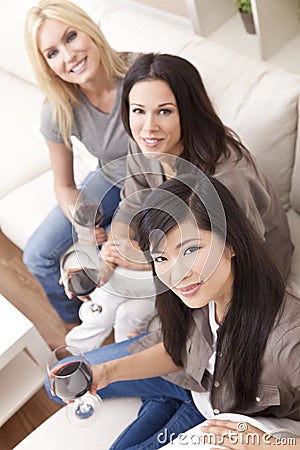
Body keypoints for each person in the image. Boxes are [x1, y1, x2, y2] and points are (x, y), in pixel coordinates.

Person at [46, 175, 300, 449]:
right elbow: (178, 351)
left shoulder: (290, 342)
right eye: (161, 258)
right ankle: (163, 401)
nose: (177, 273)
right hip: (191, 382)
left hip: (218, 413)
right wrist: (106, 373)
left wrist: (267, 444)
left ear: (231, 242)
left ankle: (163, 405)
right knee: (57, 386)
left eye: (191, 250)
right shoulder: (194, 294)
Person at [23, 0, 155, 345]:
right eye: (51, 53)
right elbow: (63, 185)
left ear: (89, 29)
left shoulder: (142, 72)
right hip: (109, 179)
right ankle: (76, 321)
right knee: (36, 255)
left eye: (70, 37)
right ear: (46, 65)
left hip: (154, 182)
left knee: (116, 253)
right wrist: (80, 218)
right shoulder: (58, 109)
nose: (67, 57)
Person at [101, 52, 293, 279]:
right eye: (138, 111)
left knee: (129, 313)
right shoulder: (143, 146)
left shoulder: (227, 175)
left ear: (188, 112)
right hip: (178, 251)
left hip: (250, 272)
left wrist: (149, 261)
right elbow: (132, 205)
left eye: (164, 111)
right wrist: (108, 260)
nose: (148, 127)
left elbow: (242, 254)